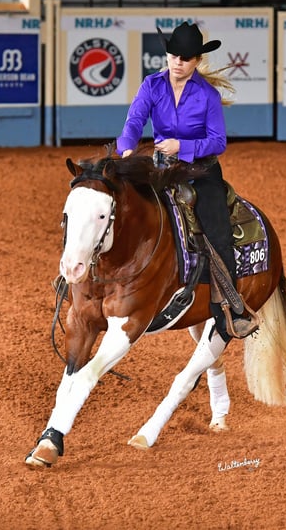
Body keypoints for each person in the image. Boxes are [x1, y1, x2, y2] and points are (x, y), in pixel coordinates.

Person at [114, 21, 257, 341]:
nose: (178, 62)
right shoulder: (152, 85)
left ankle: (231, 308)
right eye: (174, 55)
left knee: (217, 229)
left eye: (186, 57)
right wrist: (126, 149)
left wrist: (183, 147)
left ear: (196, 61)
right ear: (166, 55)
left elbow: (218, 142)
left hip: (202, 170)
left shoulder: (207, 94)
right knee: (123, 211)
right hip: (162, 167)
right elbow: (135, 119)